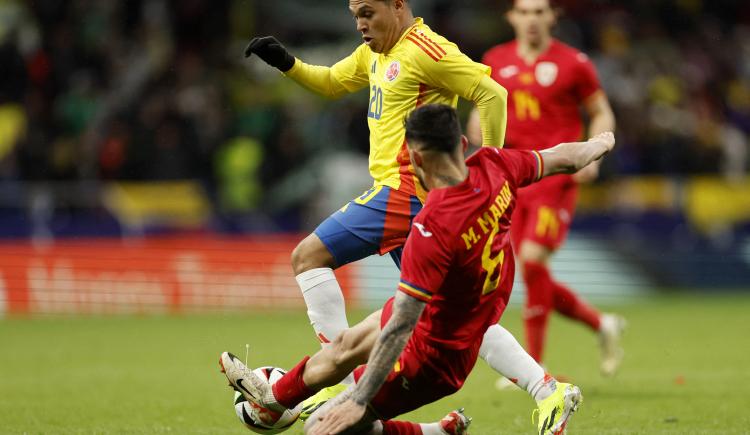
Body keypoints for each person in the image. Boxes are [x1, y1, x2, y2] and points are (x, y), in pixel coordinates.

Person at [221, 104, 617, 434]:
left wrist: (359, 399)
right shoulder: (494, 165)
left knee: (327, 427)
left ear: (412, 157)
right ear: (462, 144)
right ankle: (273, 399)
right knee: (342, 348)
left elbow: (400, 328)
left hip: (435, 355)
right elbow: (561, 157)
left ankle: (429, 432)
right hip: (452, 314)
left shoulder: (432, 227)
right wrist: (600, 143)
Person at [243, 0, 507, 355]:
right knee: (451, 308)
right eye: (355, 16)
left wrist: (491, 169)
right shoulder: (375, 53)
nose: (360, 25)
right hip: (407, 194)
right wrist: (287, 63)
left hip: (407, 190)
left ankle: (340, 380)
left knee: (307, 257)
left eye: (367, 13)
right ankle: (546, 387)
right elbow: (333, 82)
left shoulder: (426, 50)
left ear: (397, 6)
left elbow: (492, 93)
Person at [467, 0, 625, 377]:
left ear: (553, 16)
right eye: (524, 11)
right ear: (511, 17)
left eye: (540, 11)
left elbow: (601, 111)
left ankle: (535, 364)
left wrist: (595, 153)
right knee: (530, 270)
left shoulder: (575, 63)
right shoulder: (495, 58)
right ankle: (602, 324)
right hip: (515, 175)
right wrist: (479, 136)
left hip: (557, 177)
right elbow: (480, 109)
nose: (532, 19)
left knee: (534, 261)